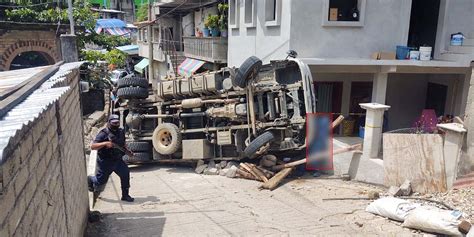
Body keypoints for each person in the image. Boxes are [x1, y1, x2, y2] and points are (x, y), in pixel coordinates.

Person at [88, 114, 134, 202]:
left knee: (125, 174)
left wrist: (128, 151)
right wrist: (105, 143)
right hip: (105, 161)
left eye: (117, 123)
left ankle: (125, 195)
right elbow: (93, 146)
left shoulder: (120, 132)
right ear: (109, 123)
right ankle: (90, 179)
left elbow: (123, 144)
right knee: (100, 181)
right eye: (113, 123)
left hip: (117, 160)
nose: (116, 125)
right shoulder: (103, 134)